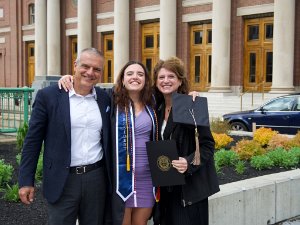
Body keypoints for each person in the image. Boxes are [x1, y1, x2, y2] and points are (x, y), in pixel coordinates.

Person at [18, 48, 112, 225]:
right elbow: (32, 141)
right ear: (75, 65)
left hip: (96, 178)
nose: (90, 72)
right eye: (85, 66)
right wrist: (25, 180)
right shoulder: (50, 96)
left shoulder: (105, 98)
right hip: (63, 179)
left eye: (97, 69)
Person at [58, 61, 158, 225]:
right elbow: (86, 88)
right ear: (122, 79)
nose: (135, 77)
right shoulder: (111, 100)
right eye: (130, 73)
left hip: (146, 179)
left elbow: (171, 94)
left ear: (146, 80)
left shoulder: (153, 102)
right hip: (121, 180)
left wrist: (191, 94)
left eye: (140, 74)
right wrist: (70, 78)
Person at [152, 56, 220, 225]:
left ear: (180, 81)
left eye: (171, 76)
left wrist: (188, 162)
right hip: (164, 188)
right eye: (161, 77)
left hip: (187, 191)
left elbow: (207, 145)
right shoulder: (155, 108)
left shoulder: (191, 105)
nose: (165, 81)